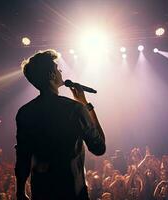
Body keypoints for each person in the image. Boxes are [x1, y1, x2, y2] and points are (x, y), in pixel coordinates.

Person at [15, 49, 106, 200]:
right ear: (52, 75)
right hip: (73, 193)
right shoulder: (74, 109)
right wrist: (85, 105)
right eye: (57, 68)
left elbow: (23, 156)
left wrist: (20, 191)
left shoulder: (25, 112)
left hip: (42, 194)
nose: (60, 71)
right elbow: (99, 148)